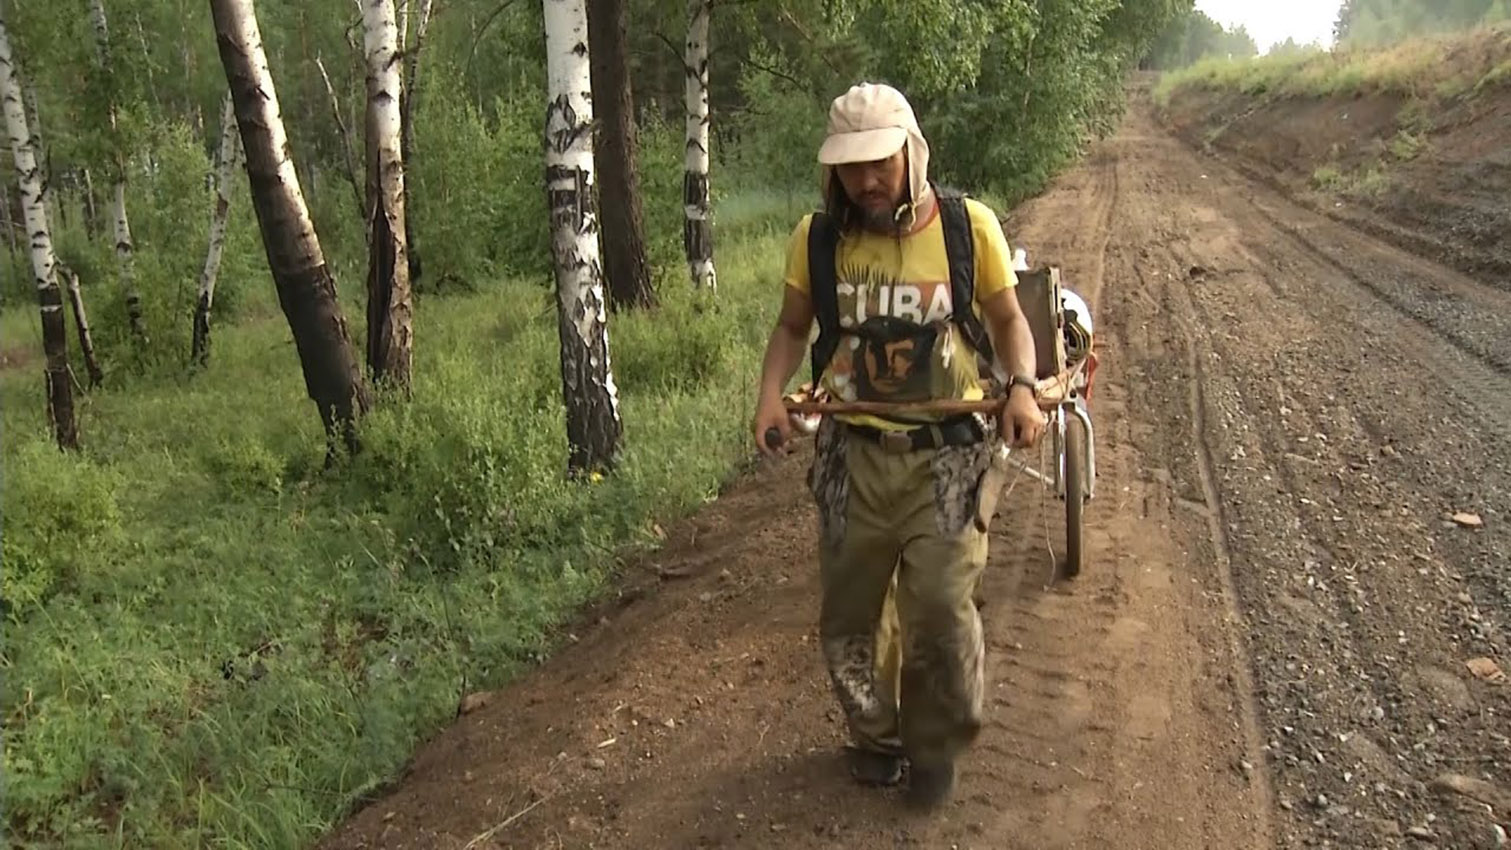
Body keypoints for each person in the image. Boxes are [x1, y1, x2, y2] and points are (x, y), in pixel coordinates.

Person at [751, 81, 1046, 809]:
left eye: (879, 162)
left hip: (948, 458)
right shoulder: (817, 240)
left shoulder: (965, 228)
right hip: (852, 459)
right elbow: (792, 328)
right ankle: (876, 735)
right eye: (850, 167)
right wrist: (768, 398)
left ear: (911, 154)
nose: (865, 180)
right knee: (850, 624)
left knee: (941, 614)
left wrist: (1020, 385)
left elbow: (1009, 320)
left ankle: (934, 746)